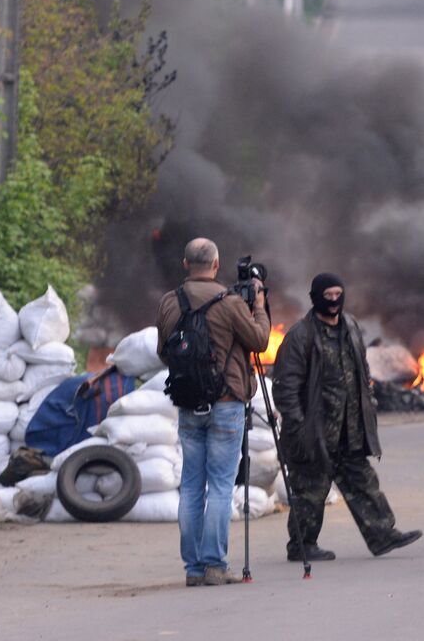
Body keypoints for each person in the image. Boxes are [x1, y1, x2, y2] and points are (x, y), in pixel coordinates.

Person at [273, 272, 423, 563]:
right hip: (314, 430)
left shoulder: (351, 326)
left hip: (350, 428)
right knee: (311, 490)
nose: (333, 301)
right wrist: (297, 425)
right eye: (327, 295)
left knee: (364, 481)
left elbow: (362, 368)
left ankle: (383, 534)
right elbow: (286, 386)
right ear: (315, 298)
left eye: (337, 294)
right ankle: (302, 545)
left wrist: (369, 400)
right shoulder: (300, 336)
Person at [156, 238, 271, 587]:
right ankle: (215, 566)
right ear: (216, 264)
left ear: (185, 263)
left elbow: (165, 352)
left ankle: (193, 570)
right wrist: (260, 305)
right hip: (227, 402)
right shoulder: (231, 302)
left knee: (191, 485)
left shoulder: (168, 302)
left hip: (189, 403)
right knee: (221, 485)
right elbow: (260, 341)